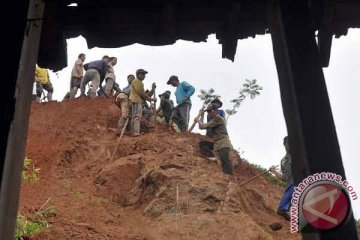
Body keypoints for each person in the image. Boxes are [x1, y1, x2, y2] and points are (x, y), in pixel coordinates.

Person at [196, 103, 234, 176]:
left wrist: (198, 120)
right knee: (202, 144)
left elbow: (202, 125)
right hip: (217, 143)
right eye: (207, 111)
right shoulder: (213, 120)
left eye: (210, 111)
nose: (209, 113)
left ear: (215, 110)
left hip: (223, 143)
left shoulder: (218, 118)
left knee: (225, 160)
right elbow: (201, 127)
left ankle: (230, 177)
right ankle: (212, 157)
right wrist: (202, 116)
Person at [269, 136, 293, 221]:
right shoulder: (283, 161)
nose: (290, 145)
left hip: (301, 183)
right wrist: (274, 171)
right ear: (284, 144)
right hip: (291, 186)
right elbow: (284, 178)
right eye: (288, 143)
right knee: (280, 210)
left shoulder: (298, 155)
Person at [129, 69, 156, 136]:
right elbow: (142, 94)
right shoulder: (136, 81)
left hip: (139, 102)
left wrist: (152, 89)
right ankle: (134, 132)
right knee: (136, 116)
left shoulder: (140, 83)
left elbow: (145, 95)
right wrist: (151, 99)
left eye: (144, 74)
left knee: (150, 113)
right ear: (138, 74)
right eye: (142, 74)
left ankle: (149, 127)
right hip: (136, 101)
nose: (144, 76)